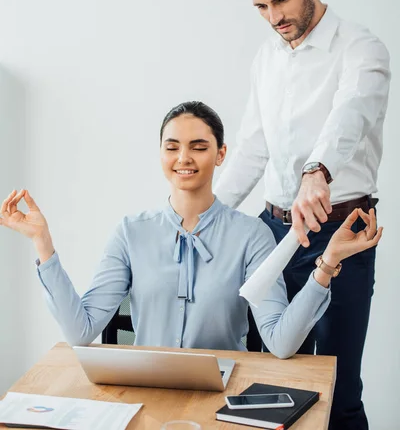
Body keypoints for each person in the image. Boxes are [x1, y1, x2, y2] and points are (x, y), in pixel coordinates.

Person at [0, 102, 381, 359]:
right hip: (145, 395)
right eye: (173, 147)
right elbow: (81, 331)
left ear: (220, 154)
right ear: (161, 154)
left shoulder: (252, 236)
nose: (184, 158)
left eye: (198, 147)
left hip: (224, 398)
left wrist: (327, 263)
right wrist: (42, 243)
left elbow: (280, 343)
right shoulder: (131, 232)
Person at [215, 0, 390, 429]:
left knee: (337, 387)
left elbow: (350, 114)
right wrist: (205, 214)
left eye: (281, 0)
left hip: (342, 236)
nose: (274, 16)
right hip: (269, 235)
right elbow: (252, 146)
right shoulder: (266, 58)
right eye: (261, 7)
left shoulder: (362, 48)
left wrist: (318, 171)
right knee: (262, 380)